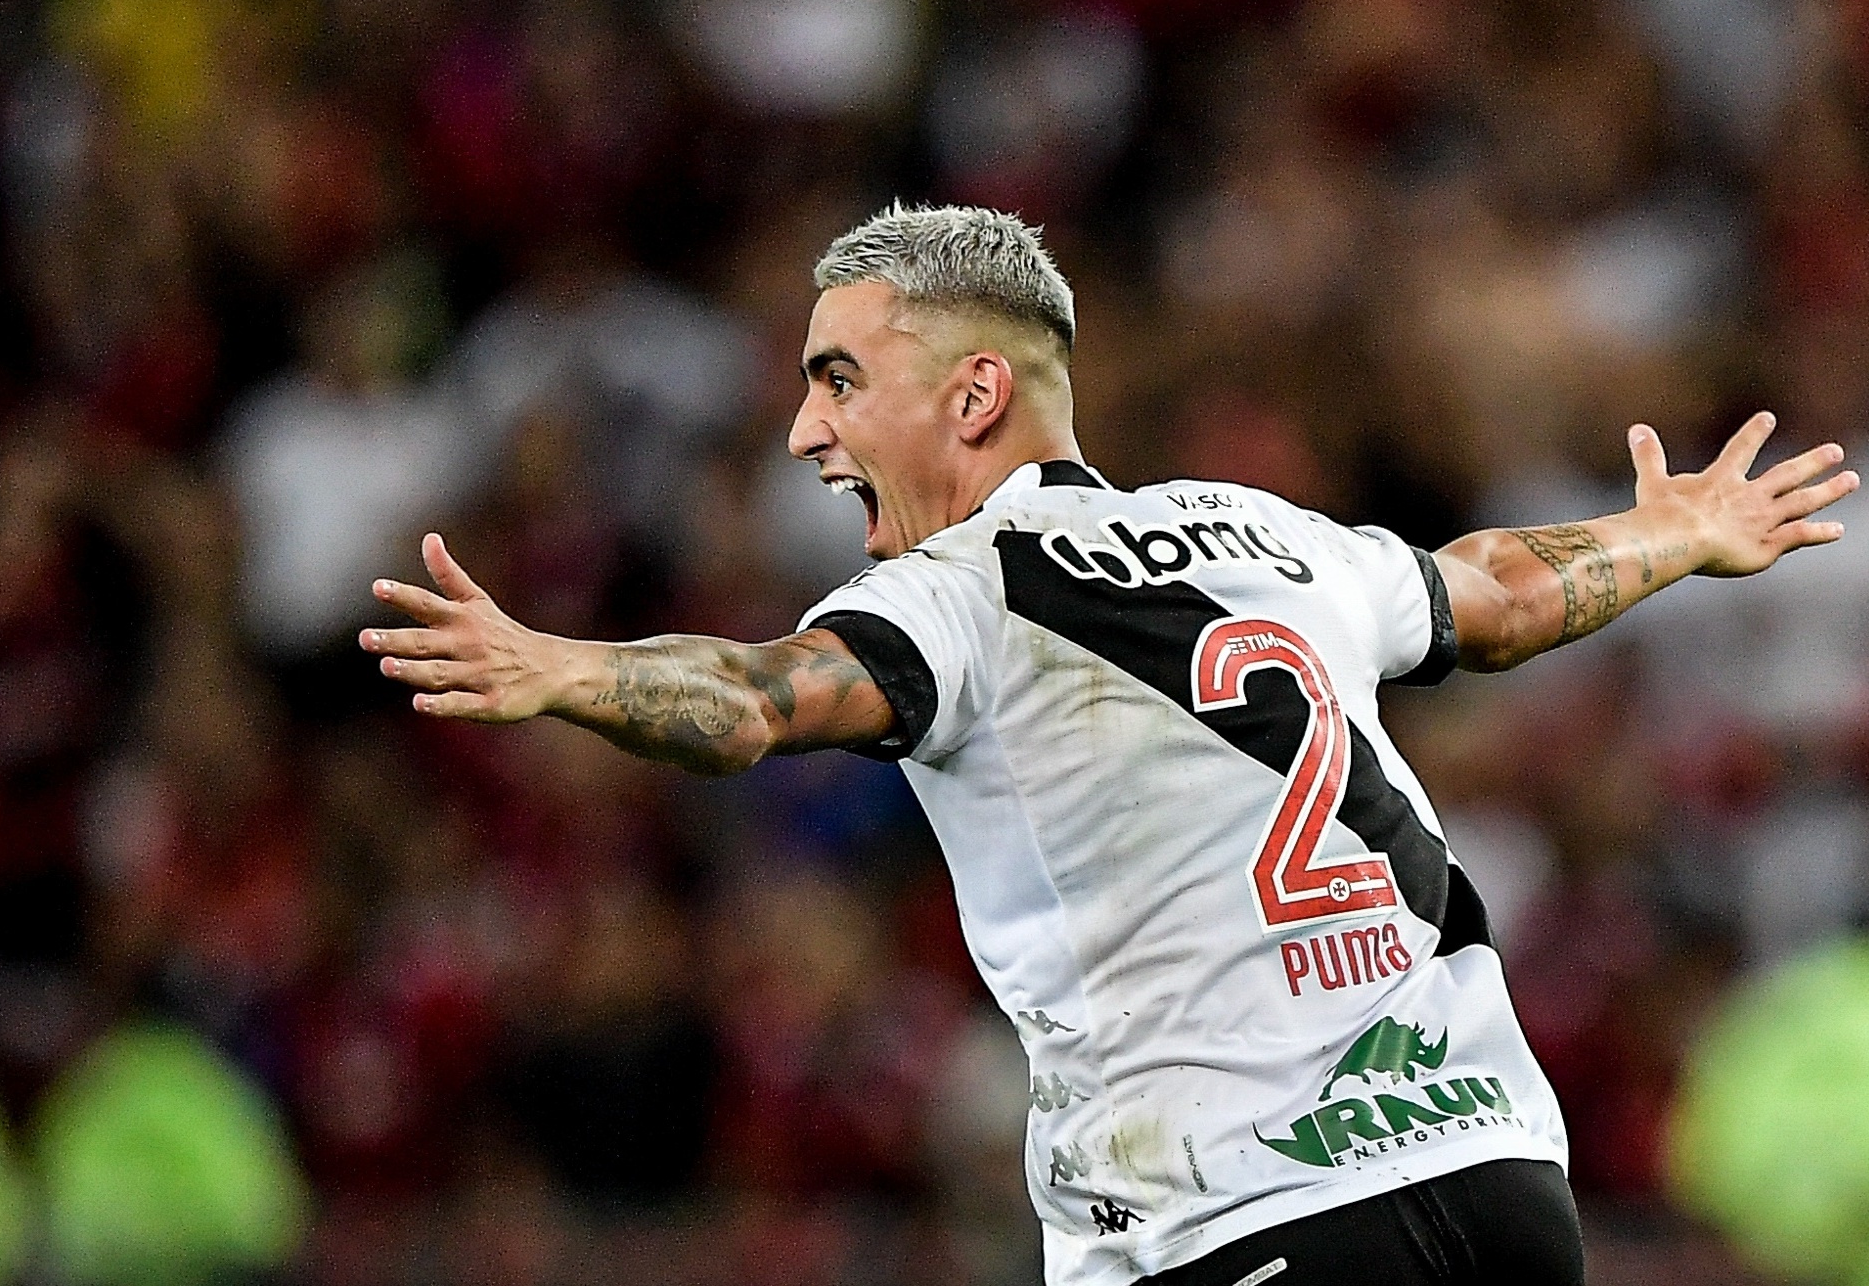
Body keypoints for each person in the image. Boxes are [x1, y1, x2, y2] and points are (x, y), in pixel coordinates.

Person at [360, 204, 1856, 1286]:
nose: (806, 436)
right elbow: (1501, 593)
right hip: (1493, 1184)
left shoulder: (954, 593)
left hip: (1247, 1218)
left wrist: (564, 670)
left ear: (973, 392)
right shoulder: (1264, 532)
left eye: (835, 381)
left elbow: (755, 700)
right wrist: (1670, 536)